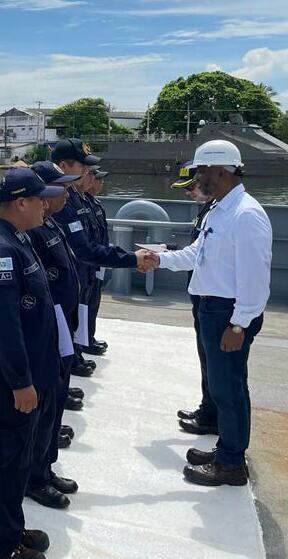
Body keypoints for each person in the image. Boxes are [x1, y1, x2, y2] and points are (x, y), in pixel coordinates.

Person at [144, 140, 272, 487]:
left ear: (220, 171)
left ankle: (231, 464)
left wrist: (239, 324)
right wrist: (160, 260)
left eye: (201, 170)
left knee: (229, 388)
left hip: (228, 313)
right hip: (212, 307)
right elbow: (195, 254)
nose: (197, 177)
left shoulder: (246, 215)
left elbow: (255, 278)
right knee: (221, 385)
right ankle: (225, 448)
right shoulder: (220, 209)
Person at [0, 167, 65, 559]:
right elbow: (4, 326)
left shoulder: (17, 238)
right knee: (4, 463)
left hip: (28, 376)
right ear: (21, 202)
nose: (46, 205)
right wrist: (20, 382)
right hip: (10, 383)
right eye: (40, 199)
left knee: (18, 461)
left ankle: (11, 528)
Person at [50, 139, 152, 377]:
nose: (88, 172)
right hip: (67, 273)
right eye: (82, 166)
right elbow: (84, 249)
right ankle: (63, 372)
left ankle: (69, 364)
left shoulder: (76, 198)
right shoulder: (61, 201)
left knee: (76, 316)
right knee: (61, 324)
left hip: (82, 271)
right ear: (64, 166)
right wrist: (132, 259)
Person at [24, 161, 83, 510]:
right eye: (61, 187)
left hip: (62, 326)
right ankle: (34, 477)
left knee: (55, 403)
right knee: (44, 406)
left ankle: (45, 467)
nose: (67, 193)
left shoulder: (50, 224)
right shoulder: (32, 232)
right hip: (48, 329)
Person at [170, 162, 218, 436]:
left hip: (212, 298)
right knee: (206, 355)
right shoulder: (209, 211)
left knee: (213, 360)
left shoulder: (218, 213)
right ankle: (207, 408)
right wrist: (172, 251)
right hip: (201, 295)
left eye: (191, 187)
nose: (189, 193)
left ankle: (212, 415)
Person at [81, 166, 111, 357]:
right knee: (84, 303)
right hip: (87, 263)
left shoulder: (93, 203)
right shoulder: (81, 204)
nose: (100, 182)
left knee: (93, 301)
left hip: (97, 262)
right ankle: (83, 341)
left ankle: (88, 337)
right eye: (96, 178)